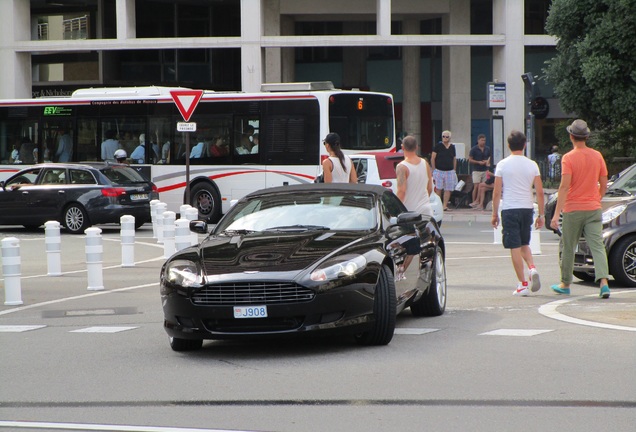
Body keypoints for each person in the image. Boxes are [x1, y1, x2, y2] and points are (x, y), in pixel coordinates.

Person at [550, 119, 610, 299]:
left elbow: (564, 187)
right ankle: (604, 283)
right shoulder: (597, 155)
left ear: (571, 136)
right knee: (597, 246)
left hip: (573, 208)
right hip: (593, 208)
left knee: (568, 246)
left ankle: (565, 283)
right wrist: (596, 198)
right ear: (587, 136)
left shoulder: (568, 158)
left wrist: (556, 214)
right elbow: (604, 183)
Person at [491, 130, 544, 297]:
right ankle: (532, 267)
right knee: (524, 243)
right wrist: (541, 215)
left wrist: (494, 214)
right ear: (524, 145)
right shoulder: (532, 164)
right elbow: (540, 192)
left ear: (508, 145)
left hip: (510, 208)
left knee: (514, 246)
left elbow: (496, 192)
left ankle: (523, 284)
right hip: (527, 208)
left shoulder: (502, 165)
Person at [395, 135, 434, 276]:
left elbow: (401, 191)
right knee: (424, 244)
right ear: (417, 147)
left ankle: (401, 272)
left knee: (408, 245)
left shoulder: (402, 167)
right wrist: (423, 200)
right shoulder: (425, 163)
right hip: (425, 210)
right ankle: (424, 272)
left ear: (402, 148)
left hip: (409, 213)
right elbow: (429, 187)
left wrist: (395, 209)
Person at [431, 130, 458, 211]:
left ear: (449, 138)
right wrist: (434, 169)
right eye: (444, 136)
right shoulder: (438, 146)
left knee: (448, 189)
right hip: (439, 170)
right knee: (438, 188)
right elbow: (433, 158)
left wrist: (454, 170)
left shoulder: (452, 147)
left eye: (447, 137)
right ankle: (438, 205)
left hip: (449, 171)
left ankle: (444, 205)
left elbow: (454, 158)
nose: (445, 138)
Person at [468, 134, 491, 207]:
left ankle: (481, 202)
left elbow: (490, 157)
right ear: (478, 141)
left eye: (484, 140)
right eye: (482, 140)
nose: (483, 142)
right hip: (476, 169)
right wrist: (478, 162)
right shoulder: (474, 149)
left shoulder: (487, 149)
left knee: (483, 186)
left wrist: (487, 161)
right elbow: (470, 159)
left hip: (485, 169)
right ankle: (474, 201)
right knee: (476, 186)